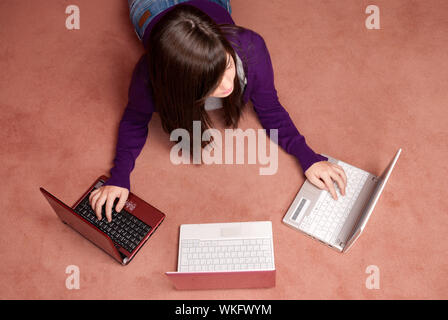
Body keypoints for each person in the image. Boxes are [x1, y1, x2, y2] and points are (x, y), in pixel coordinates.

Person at [89, 0, 347, 222]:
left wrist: (308, 157)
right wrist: (119, 176)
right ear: (181, 85)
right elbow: (134, 121)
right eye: (211, 82)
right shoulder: (149, 80)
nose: (228, 85)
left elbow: (270, 108)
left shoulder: (250, 47)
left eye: (227, 66)